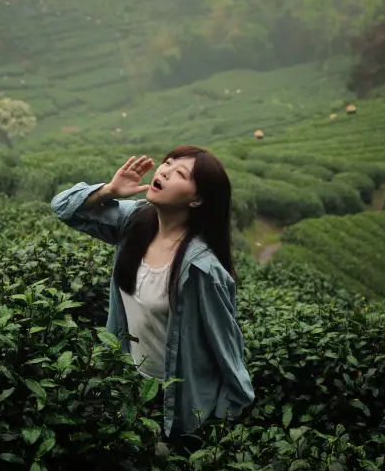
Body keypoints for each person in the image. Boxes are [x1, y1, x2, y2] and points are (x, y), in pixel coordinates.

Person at [50, 146, 255, 453]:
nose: (164, 171)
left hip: (178, 402)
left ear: (197, 199)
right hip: (128, 382)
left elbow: (228, 350)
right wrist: (109, 190)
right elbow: (64, 208)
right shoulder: (134, 221)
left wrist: (224, 423)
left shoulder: (201, 269)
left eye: (180, 173)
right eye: (167, 163)